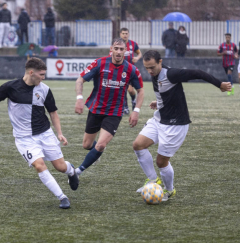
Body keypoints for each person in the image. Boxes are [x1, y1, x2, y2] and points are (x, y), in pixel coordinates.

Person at [133, 50, 231, 201]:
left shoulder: (172, 74)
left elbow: (198, 72)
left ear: (160, 62)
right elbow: (166, 93)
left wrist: (219, 84)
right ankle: (153, 180)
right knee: (138, 145)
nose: (149, 71)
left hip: (176, 124)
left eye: (152, 67)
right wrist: (158, 103)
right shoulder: (155, 74)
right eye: (146, 68)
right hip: (160, 118)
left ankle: (169, 190)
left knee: (161, 161)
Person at [0, 57, 79, 209]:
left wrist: (60, 133)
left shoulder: (44, 89)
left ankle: (71, 172)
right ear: (31, 72)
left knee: (60, 167)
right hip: (24, 138)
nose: (43, 78)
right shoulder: (10, 87)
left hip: (45, 133)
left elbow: (53, 113)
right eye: (41, 74)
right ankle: (62, 197)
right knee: (39, 165)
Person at [74, 38, 144, 176]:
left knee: (100, 145)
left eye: (121, 49)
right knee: (87, 145)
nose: (118, 52)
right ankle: (96, 152)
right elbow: (80, 79)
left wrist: (136, 110)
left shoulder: (131, 69)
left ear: (125, 51)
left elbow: (140, 90)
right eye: (116, 48)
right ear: (111, 49)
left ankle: (77, 171)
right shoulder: (100, 63)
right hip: (96, 108)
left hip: (115, 112)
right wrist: (79, 98)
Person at [119, 27, 142, 114]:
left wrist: (137, 58)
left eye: (126, 33)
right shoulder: (117, 44)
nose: (125, 35)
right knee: (123, 88)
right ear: (120, 34)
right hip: (121, 70)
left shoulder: (133, 43)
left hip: (131, 70)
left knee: (130, 90)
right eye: (123, 33)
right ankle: (125, 108)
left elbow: (139, 53)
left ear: (128, 34)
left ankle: (133, 100)